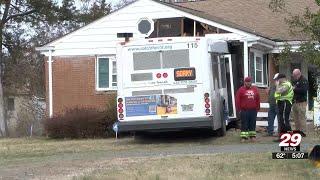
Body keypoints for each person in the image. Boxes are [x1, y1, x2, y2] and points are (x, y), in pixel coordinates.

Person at [236, 76, 260, 142]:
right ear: (244, 82)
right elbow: (237, 100)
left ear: (251, 82)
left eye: (249, 82)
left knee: (252, 123)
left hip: (253, 110)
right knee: (244, 124)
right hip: (244, 110)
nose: (248, 83)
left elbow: (258, 99)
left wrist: (257, 108)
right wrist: (239, 109)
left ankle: (252, 137)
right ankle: (244, 137)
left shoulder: (255, 89)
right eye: (247, 82)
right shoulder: (241, 90)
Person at [291, 69, 309, 137]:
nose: (294, 76)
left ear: (298, 74)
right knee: (296, 118)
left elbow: (304, 91)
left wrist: (294, 89)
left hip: (301, 102)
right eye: (293, 75)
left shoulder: (304, 80)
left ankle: (303, 132)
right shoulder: (296, 81)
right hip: (295, 102)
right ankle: (297, 131)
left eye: (295, 75)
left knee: (302, 117)